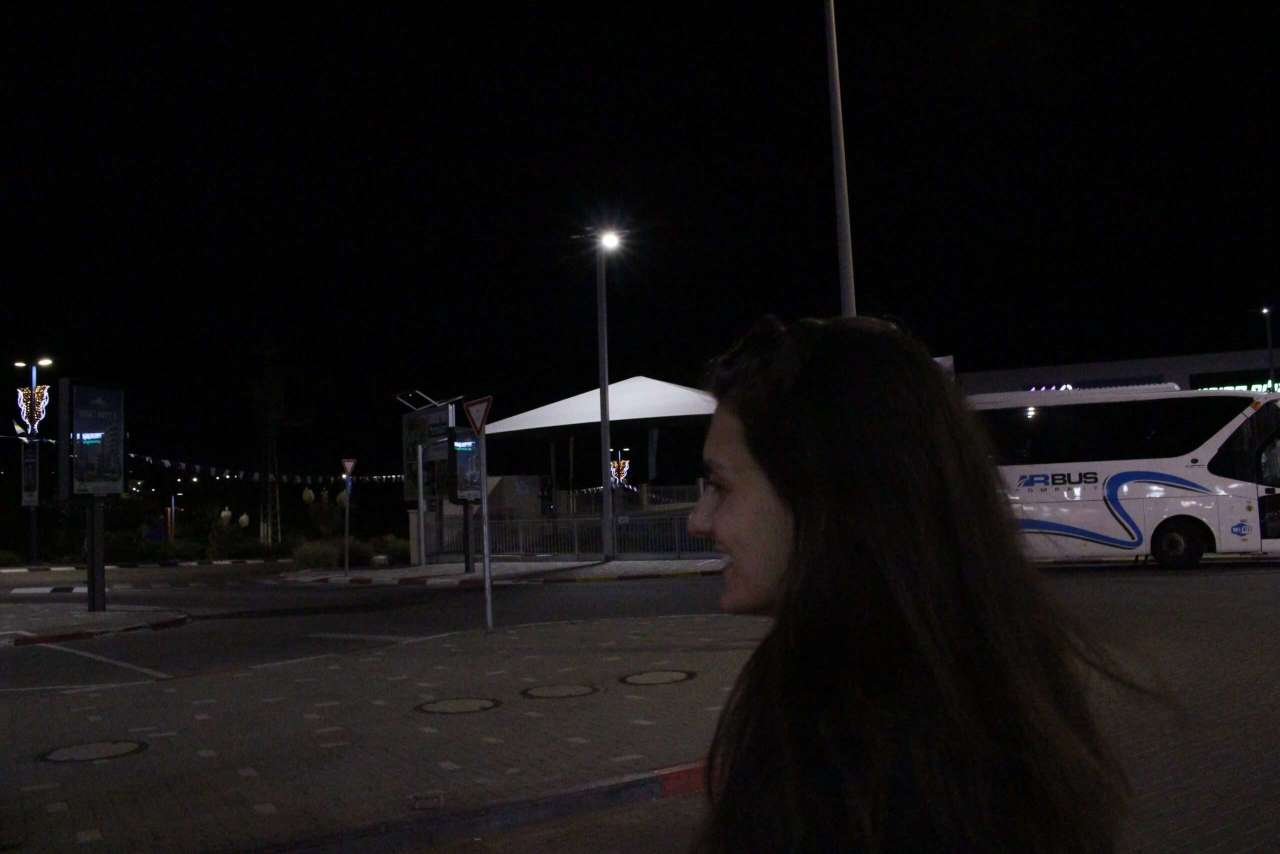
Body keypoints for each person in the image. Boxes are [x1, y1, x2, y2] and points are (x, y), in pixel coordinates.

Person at [687, 315, 1156, 853]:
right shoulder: (996, 677)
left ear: (824, 493)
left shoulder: (843, 726)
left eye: (720, 485)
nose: (699, 521)